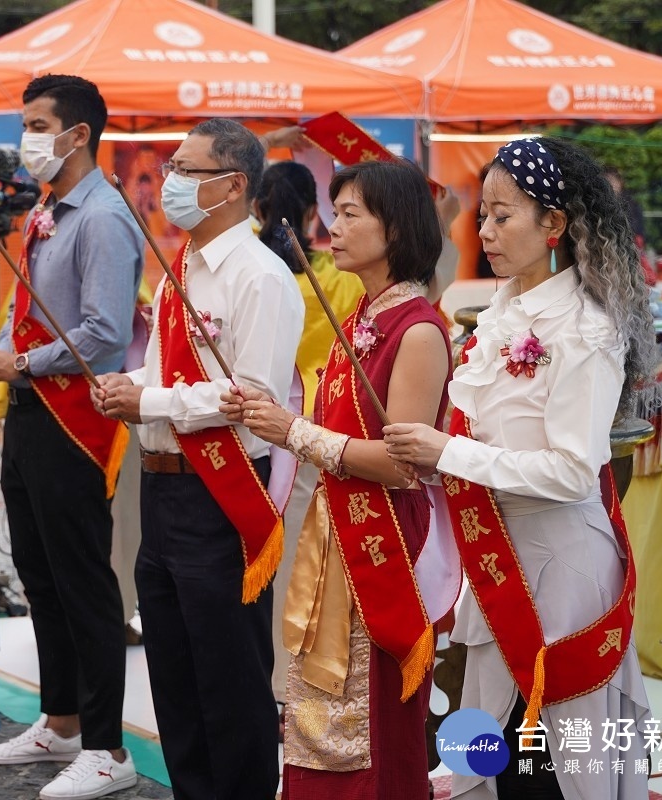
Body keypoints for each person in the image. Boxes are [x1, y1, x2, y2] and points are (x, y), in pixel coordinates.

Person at [384, 137, 656, 799]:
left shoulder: (585, 327)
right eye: (483, 216)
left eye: (504, 216)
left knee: (554, 765)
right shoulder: (499, 313)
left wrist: (446, 452)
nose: (486, 231)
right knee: (495, 759)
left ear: (554, 224)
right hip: (495, 561)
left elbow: (571, 469)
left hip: (560, 572)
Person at [224, 159, 453, 799]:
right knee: (318, 700)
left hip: (381, 540)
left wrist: (291, 430)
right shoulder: (361, 317)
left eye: (352, 214)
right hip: (334, 532)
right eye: (336, 211)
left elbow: (403, 463)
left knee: (370, 711)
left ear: (398, 228)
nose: (333, 227)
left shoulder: (419, 330)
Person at [93, 118, 304, 800]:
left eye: (187, 170)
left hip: (222, 495)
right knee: (174, 672)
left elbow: (254, 395)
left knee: (230, 675)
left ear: (233, 185)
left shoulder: (261, 277)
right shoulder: (179, 267)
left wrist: (148, 403)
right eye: (173, 167)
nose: (171, 184)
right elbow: (161, 372)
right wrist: (133, 391)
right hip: (162, 490)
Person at [0, 74, 143, 800]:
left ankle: (108, 748)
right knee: (39, 574)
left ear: (79, 136)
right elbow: (29, 306)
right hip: (36, 407)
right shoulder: (49, 210)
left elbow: (104, 335)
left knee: (82, 582)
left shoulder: (101, 218)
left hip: (77, 417)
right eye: (26, 124)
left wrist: (21, 360)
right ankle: (61, 719)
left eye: (39, 126)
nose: (28, 139)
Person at [253, 160, 365, 703]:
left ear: (255, 206)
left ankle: (263, 677)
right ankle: (291, 681)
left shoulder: (254, 269)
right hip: (314, 428)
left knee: (262, 553)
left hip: (256, 425)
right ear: (313, 212)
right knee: (306, 555)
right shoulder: (338, 280)